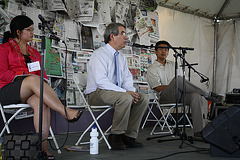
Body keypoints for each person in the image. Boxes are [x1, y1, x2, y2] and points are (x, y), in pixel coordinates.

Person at [0, 15, 82, 159]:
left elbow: (42, 76)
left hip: (29, 92)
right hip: (7, 90)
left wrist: (36, 80)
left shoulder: (35, 52)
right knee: (32, 79)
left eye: (33, 29)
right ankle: (65, 111)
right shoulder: (4, 48)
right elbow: (2, 74)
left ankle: (42, 149)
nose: (32, 32)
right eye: (28, 30)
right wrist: (23, 75)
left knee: (42, 102)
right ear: (18, 32)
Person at [85, 23, 149, 150]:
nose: (126, 37)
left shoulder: (121, 57)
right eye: (123, 33)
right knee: (125, 98)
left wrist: (131, 92)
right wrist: (126, 93)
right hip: (97, 93)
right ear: (112, 36)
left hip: (116, 93)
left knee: (143, 98)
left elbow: (127, 78)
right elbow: (101, 81)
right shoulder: (99, 54)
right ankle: (116, 136)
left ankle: (129, 136)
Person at [147, 40, 224, 138]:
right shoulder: (152, 69)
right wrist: (174, 85)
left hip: (179, 94)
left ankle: (199, 132)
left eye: (166, 49)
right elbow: (157, 87)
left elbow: (184, 82)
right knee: (177, 79)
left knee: (196, 96)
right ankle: (206, 94)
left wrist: (178, 85)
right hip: (165, 97)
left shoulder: (173, 64)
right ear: (156, 51)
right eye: (161, 49)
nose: (164, 51)